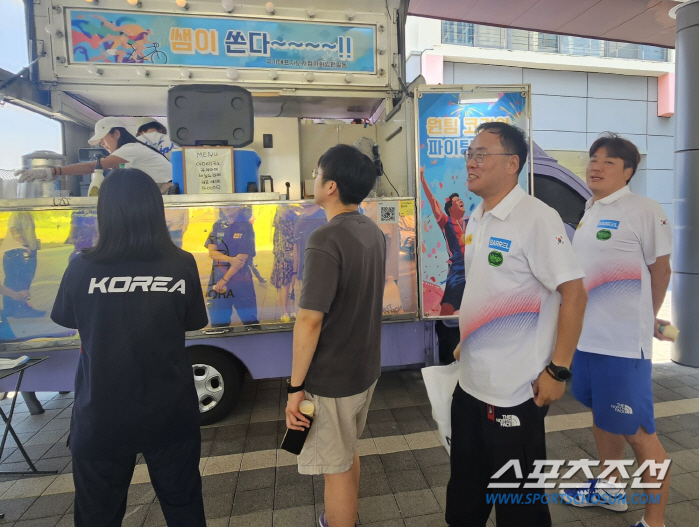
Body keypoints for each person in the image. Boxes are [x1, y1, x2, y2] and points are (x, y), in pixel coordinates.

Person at [447, 122, 587, 527]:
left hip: (515, 393)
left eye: (481, 155)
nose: (471, 163)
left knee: (518, 506)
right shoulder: (477, 216)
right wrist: (467, 339)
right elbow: (486, 287)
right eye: (469, 154)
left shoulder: (536, 218)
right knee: (464, 498)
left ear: (512, 164)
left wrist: (558, 369)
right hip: (470, 386)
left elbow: (574, 295)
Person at [50, 168, 208, 527]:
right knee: (184, 508)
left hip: (101, 412)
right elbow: (193, 321)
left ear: (105, 212)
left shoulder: (81, 267)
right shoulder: (181, 264)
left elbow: (68, 319)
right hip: (170, 410)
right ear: (155, 209)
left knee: (97, 515)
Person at [559, 134, 673, 527]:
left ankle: (653, 521)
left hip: (623, 346)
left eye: (608, 162)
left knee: (639, 433)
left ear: (628, 172)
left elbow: (662, 271)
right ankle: (609, 490)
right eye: (593, 158)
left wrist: (649, 318)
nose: (596, 166)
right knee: (603, 415)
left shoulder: (644, 209)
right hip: (587, 341)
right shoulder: (590, 208)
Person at [285, 144, 386, 527]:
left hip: (332, 378)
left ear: (330, 186)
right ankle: (347, 517)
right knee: (345, 453)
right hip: (364, 370)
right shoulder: (371, 231)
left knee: (335, 468)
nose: (313, 178)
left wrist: (295, 389)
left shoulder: (325, 239)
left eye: (316, 172)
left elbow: (309, 321)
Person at [15, 116, 174, 194]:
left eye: (103, 139)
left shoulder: (131, 148)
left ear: (116, 133)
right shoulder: (130, 152)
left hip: (165, 191)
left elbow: (96, 166)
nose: (102, 144)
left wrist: (52, 171)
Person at [419, 167, 468, 316]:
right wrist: (422, 178)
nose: (460, 201)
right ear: (450, 209)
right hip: (457, 272)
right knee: (447, 310)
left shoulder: (473, 221)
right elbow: (433, 202)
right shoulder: (446, 222)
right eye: (456, 201)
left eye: (460, 199)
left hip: (474, 269)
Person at [205, 206, 259, 327]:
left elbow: (242, 259)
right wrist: (231, 259)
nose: (227, 207)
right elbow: (212, 253)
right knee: (218, 324)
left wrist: (224, 280)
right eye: (224, 204)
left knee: (250, 324)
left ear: (239, 207)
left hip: (241, 282)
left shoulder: (245, 226)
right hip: (217, 281)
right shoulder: (218, 225)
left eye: (231, 204)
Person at [2, 211, 44, 318]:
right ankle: (21, 309)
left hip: (24, 250)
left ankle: (10, 309)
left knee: (14, 281)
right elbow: (13, 229)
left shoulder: (26, 212)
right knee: (21, 280)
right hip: (18, 251)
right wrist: (25, 245)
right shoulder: (18, 213)